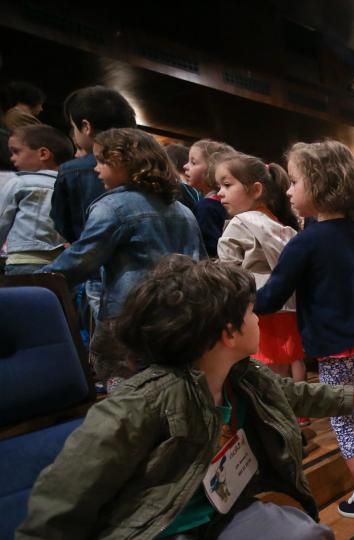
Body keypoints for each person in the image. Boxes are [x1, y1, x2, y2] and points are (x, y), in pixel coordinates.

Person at [0, 255, 354, 540]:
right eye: (250, 311)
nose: (258, 318)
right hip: (150, 537)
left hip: (218, 515)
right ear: (227, 332)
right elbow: (62, 496)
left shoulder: (242, 376)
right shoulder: (140, 403)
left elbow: (292, 394)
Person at [255, 140, 354, 521]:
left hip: (337, 347)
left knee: (341, 417)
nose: (288, 190)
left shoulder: (305, 242)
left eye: (295, 182)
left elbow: (270, 297)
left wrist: (240, 304)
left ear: (318, 185)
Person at [42, 128, 205, 384]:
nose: (96, 169)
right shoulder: (182, 210)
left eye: (102, 161)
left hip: (130, 316)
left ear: (124, 162)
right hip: (181, 314)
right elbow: (200, 262)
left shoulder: (112, 207)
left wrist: (36, 282)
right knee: (171, 385)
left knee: (125, 389)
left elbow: (80, 260)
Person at [215, 153, 306, 392]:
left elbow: (228, 274)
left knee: (257, 381)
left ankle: (267, 426)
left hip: (255, 311)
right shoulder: (279, 224)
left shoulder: (239, 222)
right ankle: (290, 420)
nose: (219, 193)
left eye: (227, 185)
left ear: (255, 189)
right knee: (280, 375)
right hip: (286, 311)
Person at [50, 86, 136, 245]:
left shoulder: (72, 171)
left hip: (93, 261)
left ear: (86, 127)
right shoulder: (154, 165)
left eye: (73, 127)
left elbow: (62, 225)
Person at [0, 125, 74, 274]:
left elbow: (3, 218)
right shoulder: (72, 185)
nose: (12, 158)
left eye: (16, 151)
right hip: (62, 262)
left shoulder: (19, 182)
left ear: (43, 154)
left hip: (23, 260)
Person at [184, 139, 235, 257]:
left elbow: (208, 251)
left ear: (211, 169)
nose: (185, 166)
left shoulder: (206, 207)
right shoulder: (227, 203)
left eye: (193, 162)